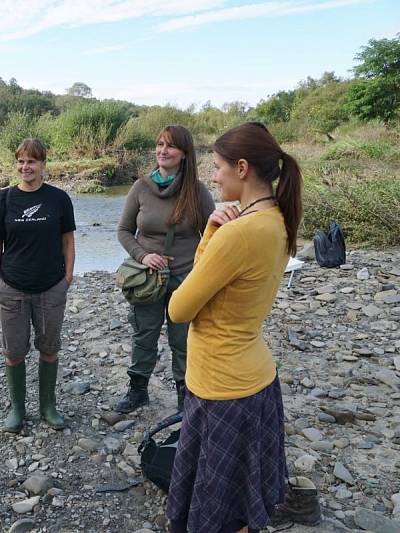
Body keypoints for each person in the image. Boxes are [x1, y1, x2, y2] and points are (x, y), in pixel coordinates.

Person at [166, 122, 304, 532]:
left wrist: (210, 234)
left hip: (220, 386)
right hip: (258, 380)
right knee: (244, 506)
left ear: (242, 168)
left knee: (216, 510)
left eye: (218, 166)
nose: (213, 175)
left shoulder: (238, 233)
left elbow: (178, 308)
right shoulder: (278, 218)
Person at [114, 125, 214, 414]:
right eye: (159, 144)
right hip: (146, 278)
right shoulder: (141, 187)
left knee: (182, 339)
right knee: (143, 334)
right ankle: (138, 391)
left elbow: (214, 233)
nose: (162, 150)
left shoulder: (196, 191)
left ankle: (186, 395)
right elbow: (123, 231)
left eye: (170, 146)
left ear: (184, 154)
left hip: (186, 277)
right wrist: (143, 256)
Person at [0, 138, 76, 433]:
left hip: (51, 286)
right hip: (12, 286)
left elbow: (68, 241)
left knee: (49, 347)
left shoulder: (59, 199)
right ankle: (17, 409)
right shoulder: (4, 199)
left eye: (32, 162)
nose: (26, 167)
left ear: (43, 165)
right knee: (14, 352)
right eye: (21, 161)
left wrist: (67, 278)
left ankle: (48, 407)